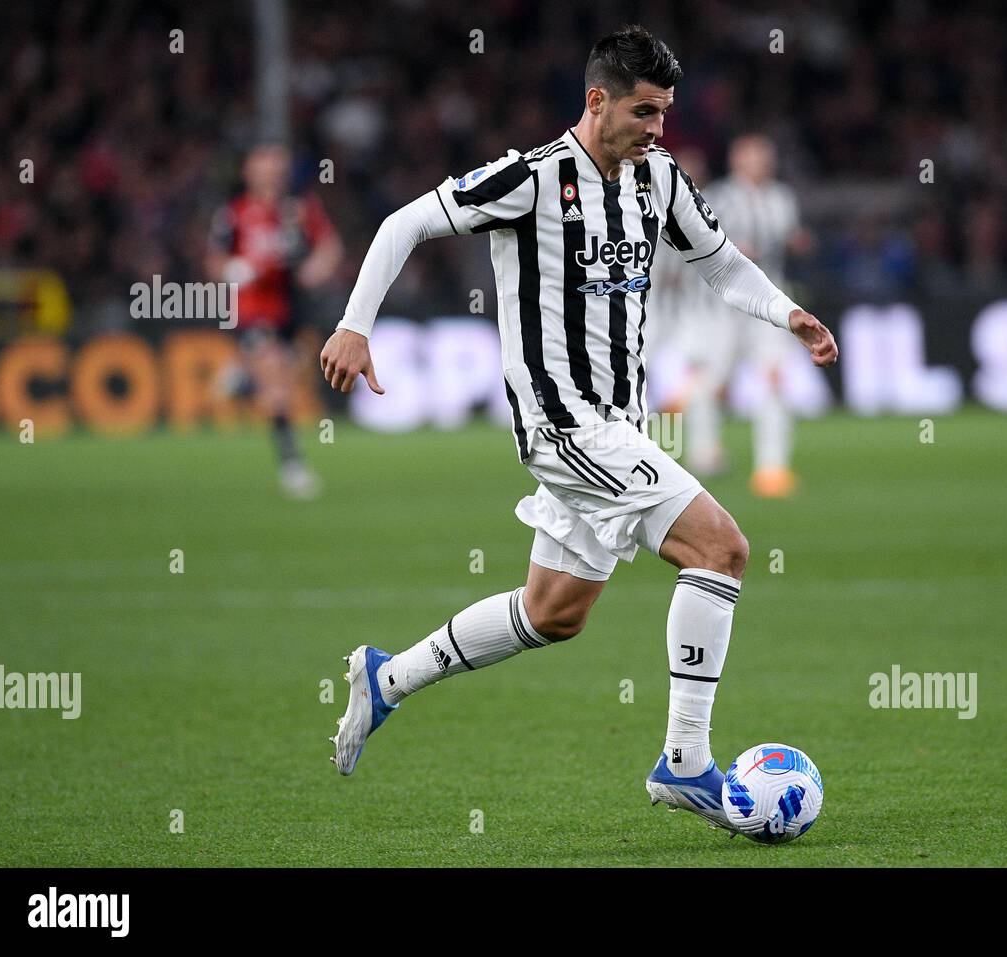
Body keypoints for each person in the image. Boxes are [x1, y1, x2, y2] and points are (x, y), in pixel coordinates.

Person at [320, 26, 837, 832]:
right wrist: (356, 324)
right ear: (596, 100)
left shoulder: (657, 177)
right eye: (644, 111)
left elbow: (720, 260)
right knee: (722, 548)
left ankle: (387, 678)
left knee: (553, 610)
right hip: (563, 427)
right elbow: (403, 224)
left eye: (664, 112)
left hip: (617, 424)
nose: (658, 128)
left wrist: (787, 313)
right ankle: (686, 761)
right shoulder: (529, 179)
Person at [675, 134, 814, 496]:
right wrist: (735, 250)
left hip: (768, 305)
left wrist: (798, 241)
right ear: (738, 161)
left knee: (773, 378)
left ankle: (772, 468)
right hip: (724, 305)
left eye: (765, 157)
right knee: (711, 380)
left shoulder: (781, 198)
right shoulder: (720, 197)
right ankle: (703, 452)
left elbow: (789, 237)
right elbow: (705, 243)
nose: (761, 163)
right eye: (753, 157)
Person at [207, 143, 343, 500]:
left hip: (292, 309)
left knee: (285, 377)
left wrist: (317, 268)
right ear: (249, 171)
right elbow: (215, 262)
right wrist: (233, 271)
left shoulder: (298, 210)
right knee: (278, 383)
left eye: (277, 167)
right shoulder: (235, 214)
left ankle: (243, 378)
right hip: (254, 311)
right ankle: (293, 465)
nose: (272, 173)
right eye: (264, 165)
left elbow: (329, 245)